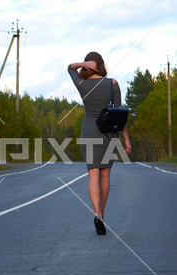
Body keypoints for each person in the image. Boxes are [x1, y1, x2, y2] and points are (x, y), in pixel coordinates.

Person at [68, 52, 132, 235]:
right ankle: (101, 216)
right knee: (105, 175)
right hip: (109, 134)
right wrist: (127, 139)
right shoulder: (113, 84)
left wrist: (81, 63)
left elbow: (69, 67)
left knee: (93, 174)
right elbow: (120, 115)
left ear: (89, 66)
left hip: (89, 132)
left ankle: (96, 214)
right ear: (102, 65)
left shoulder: (82, 84)